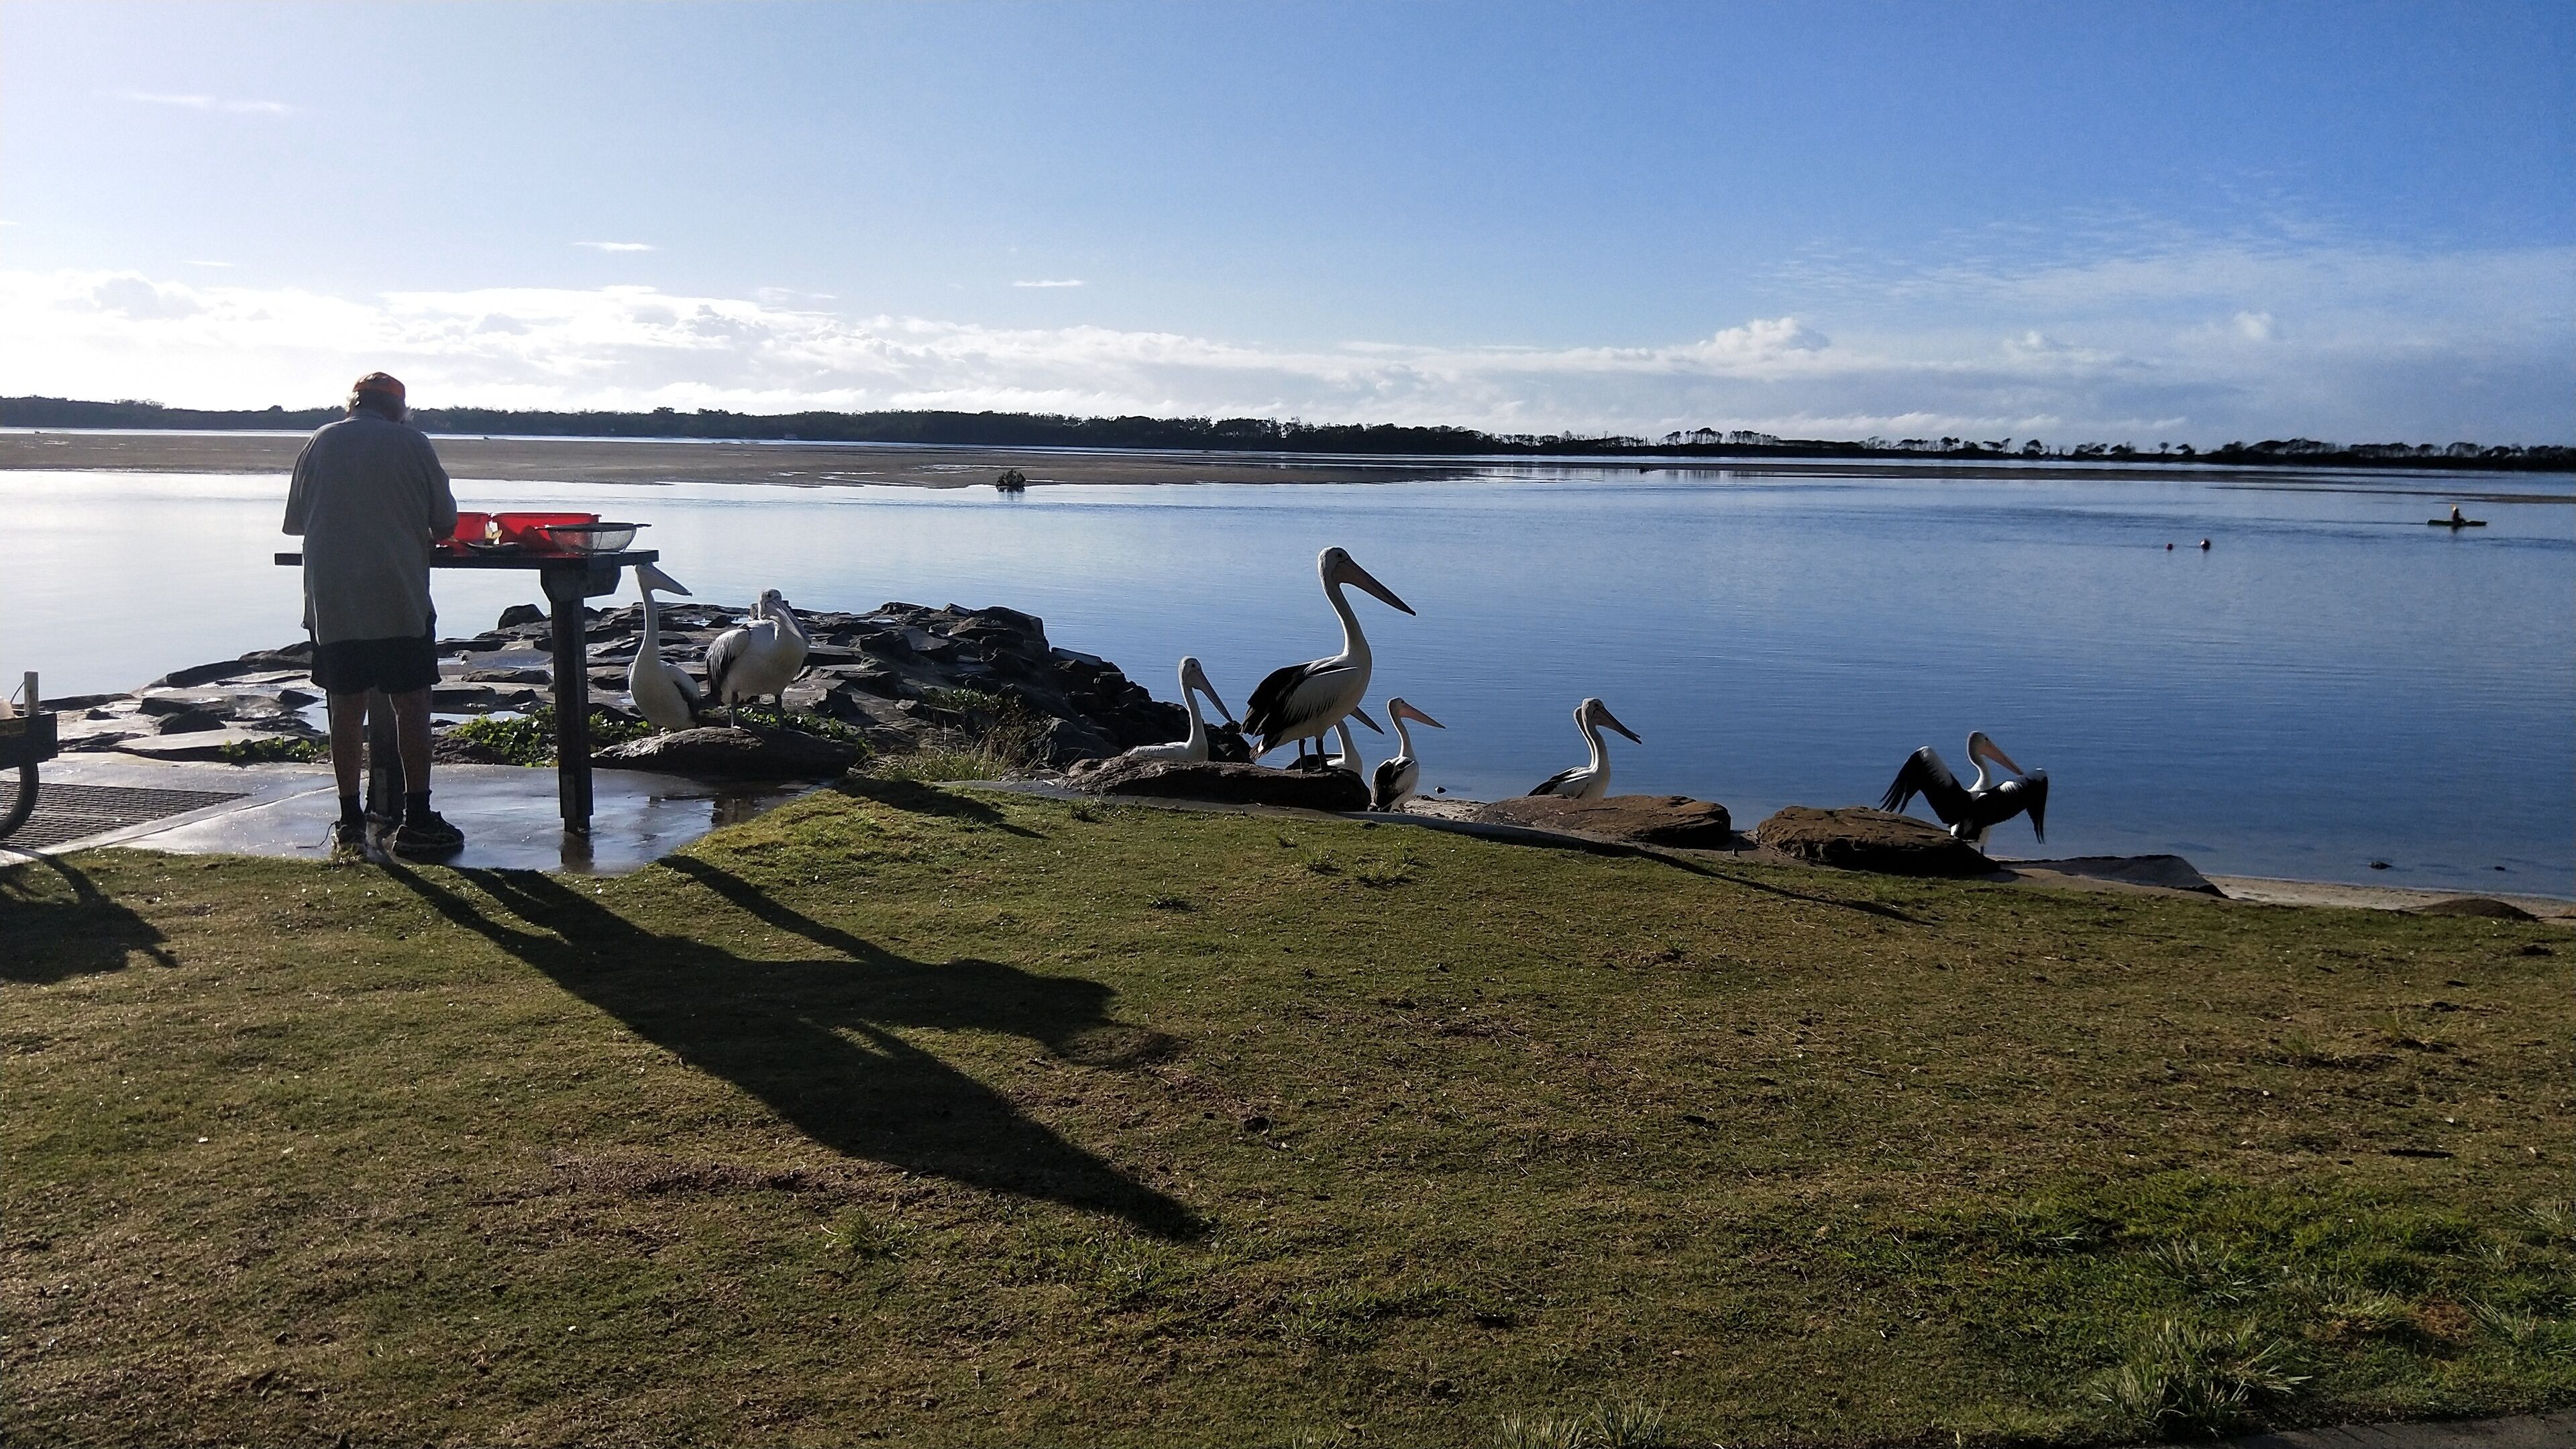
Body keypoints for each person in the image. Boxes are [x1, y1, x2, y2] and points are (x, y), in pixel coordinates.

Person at [282, 372, 464, 857]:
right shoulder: (413, 443)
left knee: (345, 707)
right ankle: (418, 815)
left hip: (333, 600)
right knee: (412, 706)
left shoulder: (318, 443)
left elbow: (295, 523)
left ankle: (349, 820)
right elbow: (445, 522)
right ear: (398, 408)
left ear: (352, 404)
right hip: (397, 595)